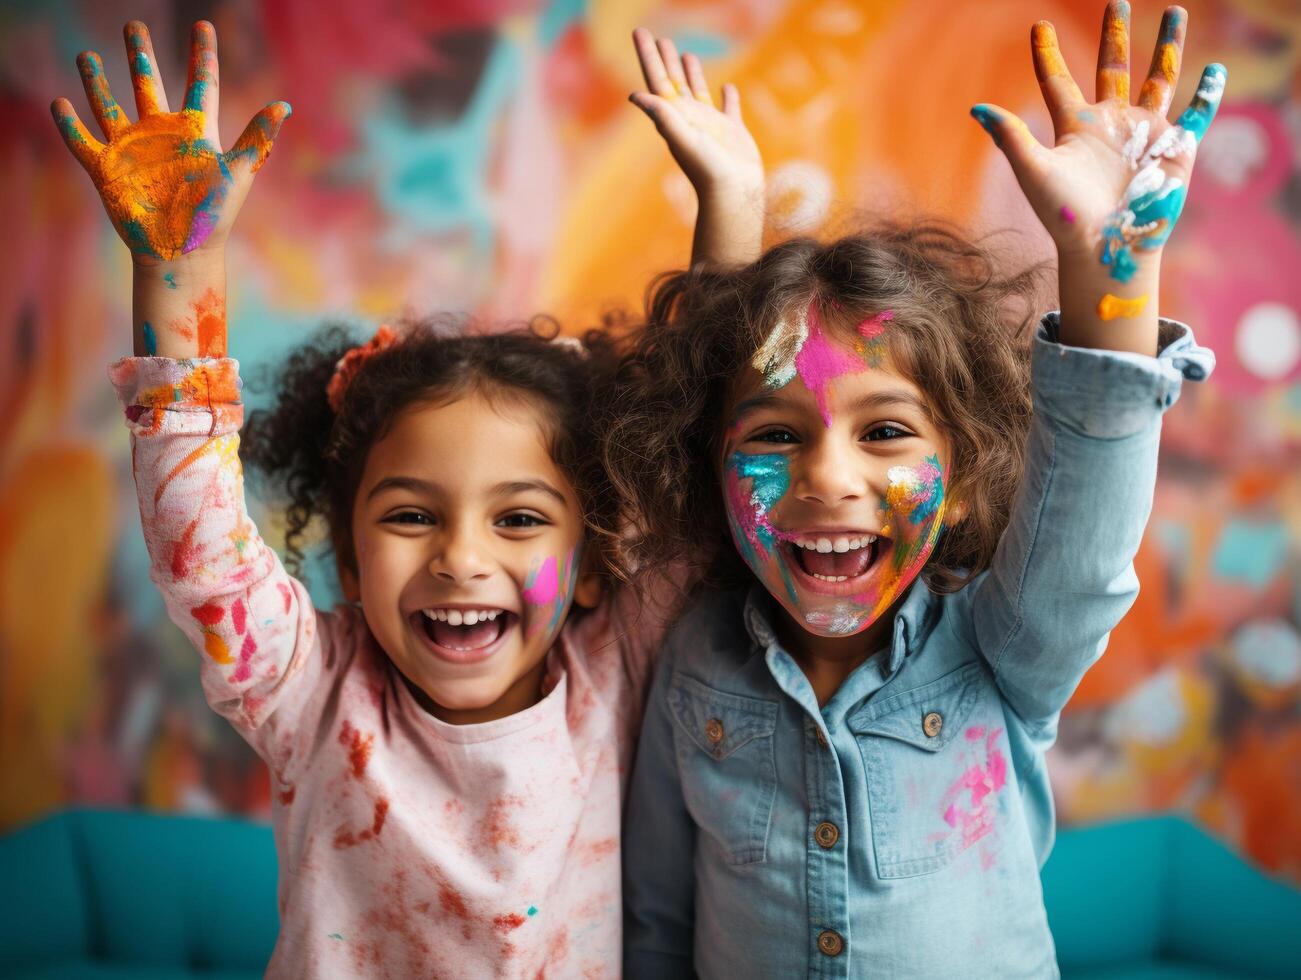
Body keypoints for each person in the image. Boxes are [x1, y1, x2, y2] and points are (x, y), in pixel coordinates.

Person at [52, 18, 761, 979]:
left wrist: (730, 215)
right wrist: (180, 283)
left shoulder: (615, 673)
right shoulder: (306, 691)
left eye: (517, 518)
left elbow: (707, 467)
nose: (460, 557)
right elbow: (204, 553)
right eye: (411, 515)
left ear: (593, 563)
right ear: (346, 560)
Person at [609, 3, 1221, 975]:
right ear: (713, 476)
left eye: (884, 431)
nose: (825, 477)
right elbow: (654, 921)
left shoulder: (1000, 644)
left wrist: (1109, 284)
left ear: (970, 480)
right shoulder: (692, 661)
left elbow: (1083, 541)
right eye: (774, 437)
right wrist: (727, 202)